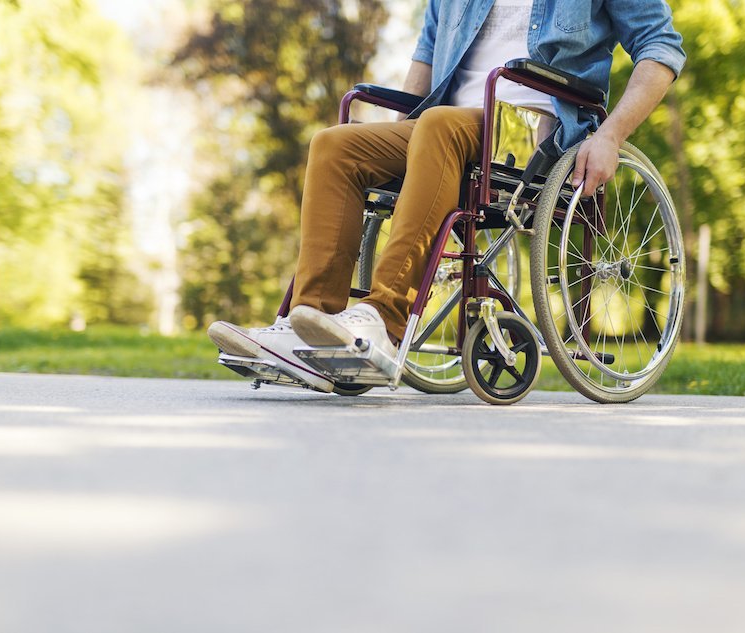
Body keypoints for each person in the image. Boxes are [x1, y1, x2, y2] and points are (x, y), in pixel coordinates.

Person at [208, 0, 686, 392]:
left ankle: (382, 316)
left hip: (534, 133)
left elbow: (661, 48)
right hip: (444, 127)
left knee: (437, 126)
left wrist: (612, 135)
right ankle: (310, 321)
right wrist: (400, 143)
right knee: (334, 145)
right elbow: (427, 54)